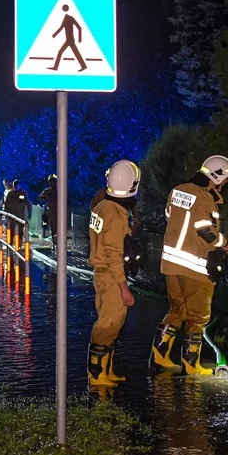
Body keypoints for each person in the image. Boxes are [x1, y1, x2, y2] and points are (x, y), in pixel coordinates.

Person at [150, 155, 228, 375]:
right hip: (195, 268)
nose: (225, 186)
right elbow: (205, 230)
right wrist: (226, 245)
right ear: (216, 177)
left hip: (170, 265)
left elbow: (171, 217)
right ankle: (191, 365)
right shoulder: (204, 197)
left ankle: (159, 357)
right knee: (198, 316)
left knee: (177, 310)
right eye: (225, 180)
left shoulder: (177, 190)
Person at [87, 160, 140, 386]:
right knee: (109, 324)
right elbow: (113, 255)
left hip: (101, 274)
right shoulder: (116, 215)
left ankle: (105, 371)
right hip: (111, 276)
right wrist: (124, 288)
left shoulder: (101, 207)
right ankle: (97, 375)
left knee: (110, 324)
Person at [3, 178, 31, 244]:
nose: (15, 187)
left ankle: (19, 244)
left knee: (20, 231)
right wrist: (5, 214)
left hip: (20, 216)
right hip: (11, 216)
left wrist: (30, 213)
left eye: (17, 185)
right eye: (14, 185)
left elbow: (28, 203)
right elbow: (6, 204)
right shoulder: (10, 193)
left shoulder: (23, 193)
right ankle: (10, 244)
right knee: (11, 231)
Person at [40, 175, 58, 248]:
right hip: (51, 212)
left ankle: (58, 243)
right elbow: (40, 197)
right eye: (51, 181)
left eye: (54, 181)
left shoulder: (60, 190)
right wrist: (45, 196)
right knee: (53, 228)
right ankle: (54, 243)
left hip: (59, 212)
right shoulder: (47, 191)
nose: (52, 183)